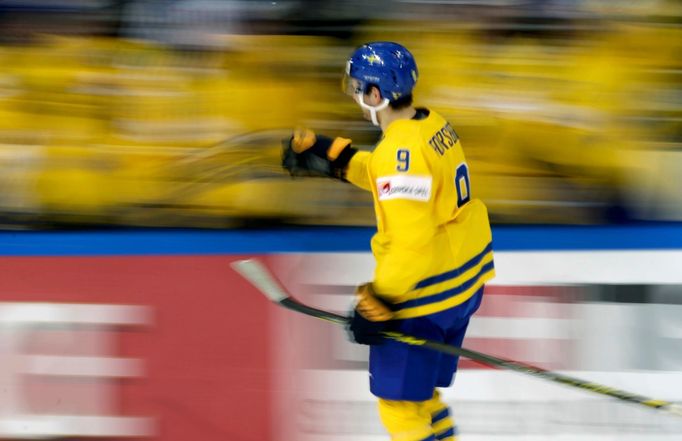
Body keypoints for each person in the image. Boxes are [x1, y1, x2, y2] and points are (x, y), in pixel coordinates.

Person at [282, 41, 495, 441]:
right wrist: (340, 161)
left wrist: (380, 300)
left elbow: (411, 241)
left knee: (398, 407)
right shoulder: (431, 124)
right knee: (420, 392)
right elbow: (396, 178)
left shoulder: (401, 151)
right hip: (461, 284)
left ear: (376, 94)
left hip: (426, 293)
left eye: (358, 88)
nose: (357, 98)